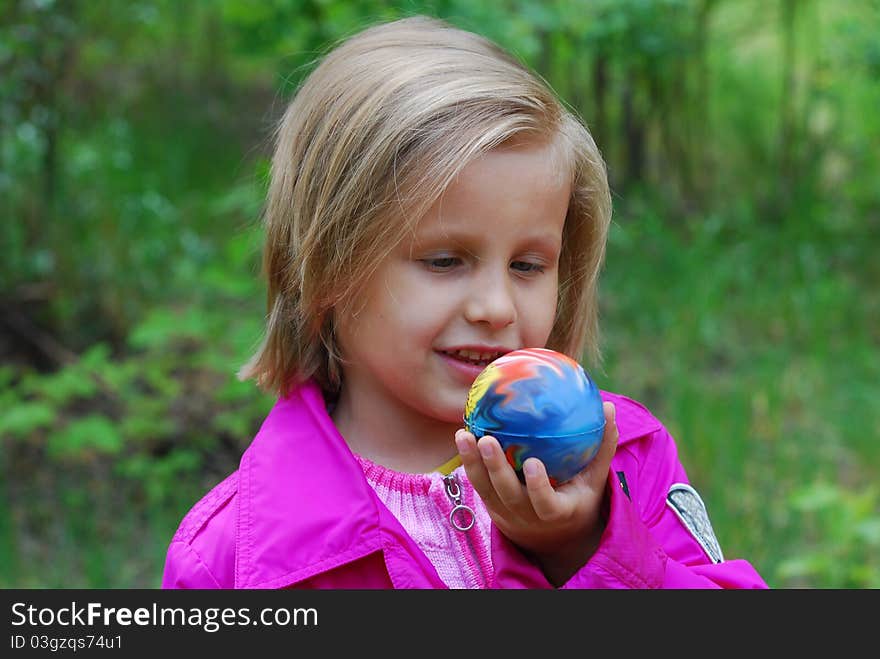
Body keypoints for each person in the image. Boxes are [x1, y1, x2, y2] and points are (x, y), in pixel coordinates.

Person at [162, 15, 768, 589]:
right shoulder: (235, 555)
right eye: (445, 261)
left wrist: (581, 546)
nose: (496, 307)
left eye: (528, 266)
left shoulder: (623, 458)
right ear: (327, 265)